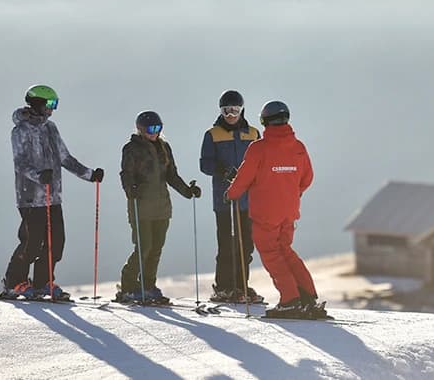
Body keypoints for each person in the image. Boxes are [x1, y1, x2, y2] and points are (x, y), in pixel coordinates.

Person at [225, 101, 327, 319]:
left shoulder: (259, 148)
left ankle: (290, 300)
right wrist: (291, 192)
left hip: (266, 212)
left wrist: (231, 194)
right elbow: (307, 178)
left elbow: (244, 178)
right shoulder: (298, 147)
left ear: (264, 121)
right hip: (289, 210)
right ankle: (307, 297)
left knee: (272, 253)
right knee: (286, 250)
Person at [1, 84, 104, 300]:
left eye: (54, 104)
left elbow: (64, 158)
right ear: (37, 103)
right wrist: (39, 176)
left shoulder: (50, 128)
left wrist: (90, 174)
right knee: (31, 242)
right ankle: (14, 282)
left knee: (56, 243)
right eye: (50, 104)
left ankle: (42, 283)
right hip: (30, 198)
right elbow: (20, 163)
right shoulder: (20, 131)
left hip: (53, 196)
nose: (52, 109)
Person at [117, 111, 201, 304]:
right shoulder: (131, 148)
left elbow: (171, 175)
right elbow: (125, 173)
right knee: (143, 247)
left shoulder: (164, 147)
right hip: (141, 206)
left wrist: (188, 191)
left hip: (162, 206)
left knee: (156, 248)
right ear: (140, 129)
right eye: (150, 129)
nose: (154, 133)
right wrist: (130, 189)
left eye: (157, 128)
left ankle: (147, 285)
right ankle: (128, 286)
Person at [199, 90, 264, 303]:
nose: (230, 115)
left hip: (249, 199)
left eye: (234, 110)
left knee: (246, 244)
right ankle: (224, 287)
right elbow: (205, 164)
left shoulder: (253, 134)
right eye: (226, 110)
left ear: (242, 110)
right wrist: (222, 170)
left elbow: (261, 161)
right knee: (227, 243)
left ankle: (241, 285)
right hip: (224, 199)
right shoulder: (213, 134)